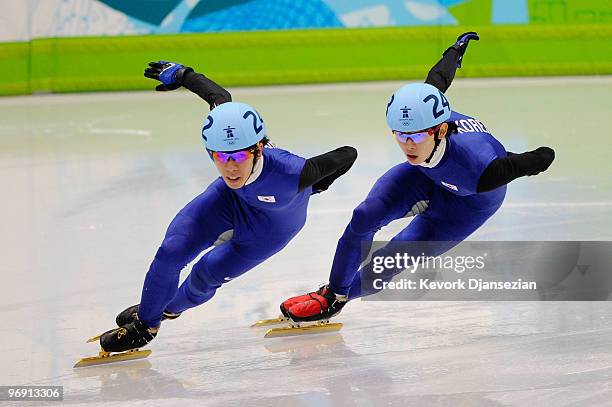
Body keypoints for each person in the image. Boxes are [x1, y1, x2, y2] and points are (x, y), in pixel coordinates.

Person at [281, 32, 556, 321]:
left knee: (393, 257)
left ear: (439, 131)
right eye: (399, 135)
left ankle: (342, 298)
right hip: (426, 175)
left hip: (467, 203)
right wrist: (455, 51)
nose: (407, 144)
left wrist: (544, 155)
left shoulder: (481, 169)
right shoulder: (425, 108)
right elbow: (437, 80)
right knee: (364, 216)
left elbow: (525, 162)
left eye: (415, 136)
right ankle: (332, 295)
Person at [99, 61, 358, 352]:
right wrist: (185, 75)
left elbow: (348, 154)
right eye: (221, 158)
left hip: (271, 228)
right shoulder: (228, 127)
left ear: (258, 148)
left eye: (238, 158)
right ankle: (146, 324)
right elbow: (219, 97)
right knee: (171, 251)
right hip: (229, 201)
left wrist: (312, 186)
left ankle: (168, 308)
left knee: (205, 274)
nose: (231, 168)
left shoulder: (292, 171)